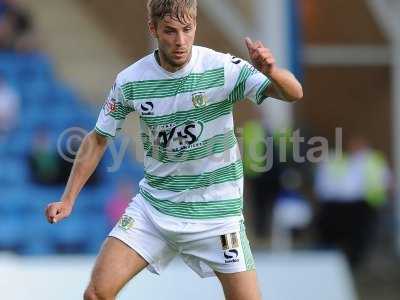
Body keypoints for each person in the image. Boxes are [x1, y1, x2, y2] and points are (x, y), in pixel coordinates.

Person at [45, 1, 303, 299]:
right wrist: (68, 199)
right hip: (155, 209)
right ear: (153, 28)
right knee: (96, 294)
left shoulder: (221, 69)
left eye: (187, 30)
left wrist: (271, 71)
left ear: (195, 26)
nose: (180, 41)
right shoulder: (131, 81)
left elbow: (293, 93)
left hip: (217, 214)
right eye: (170, 31)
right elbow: (98, 139)